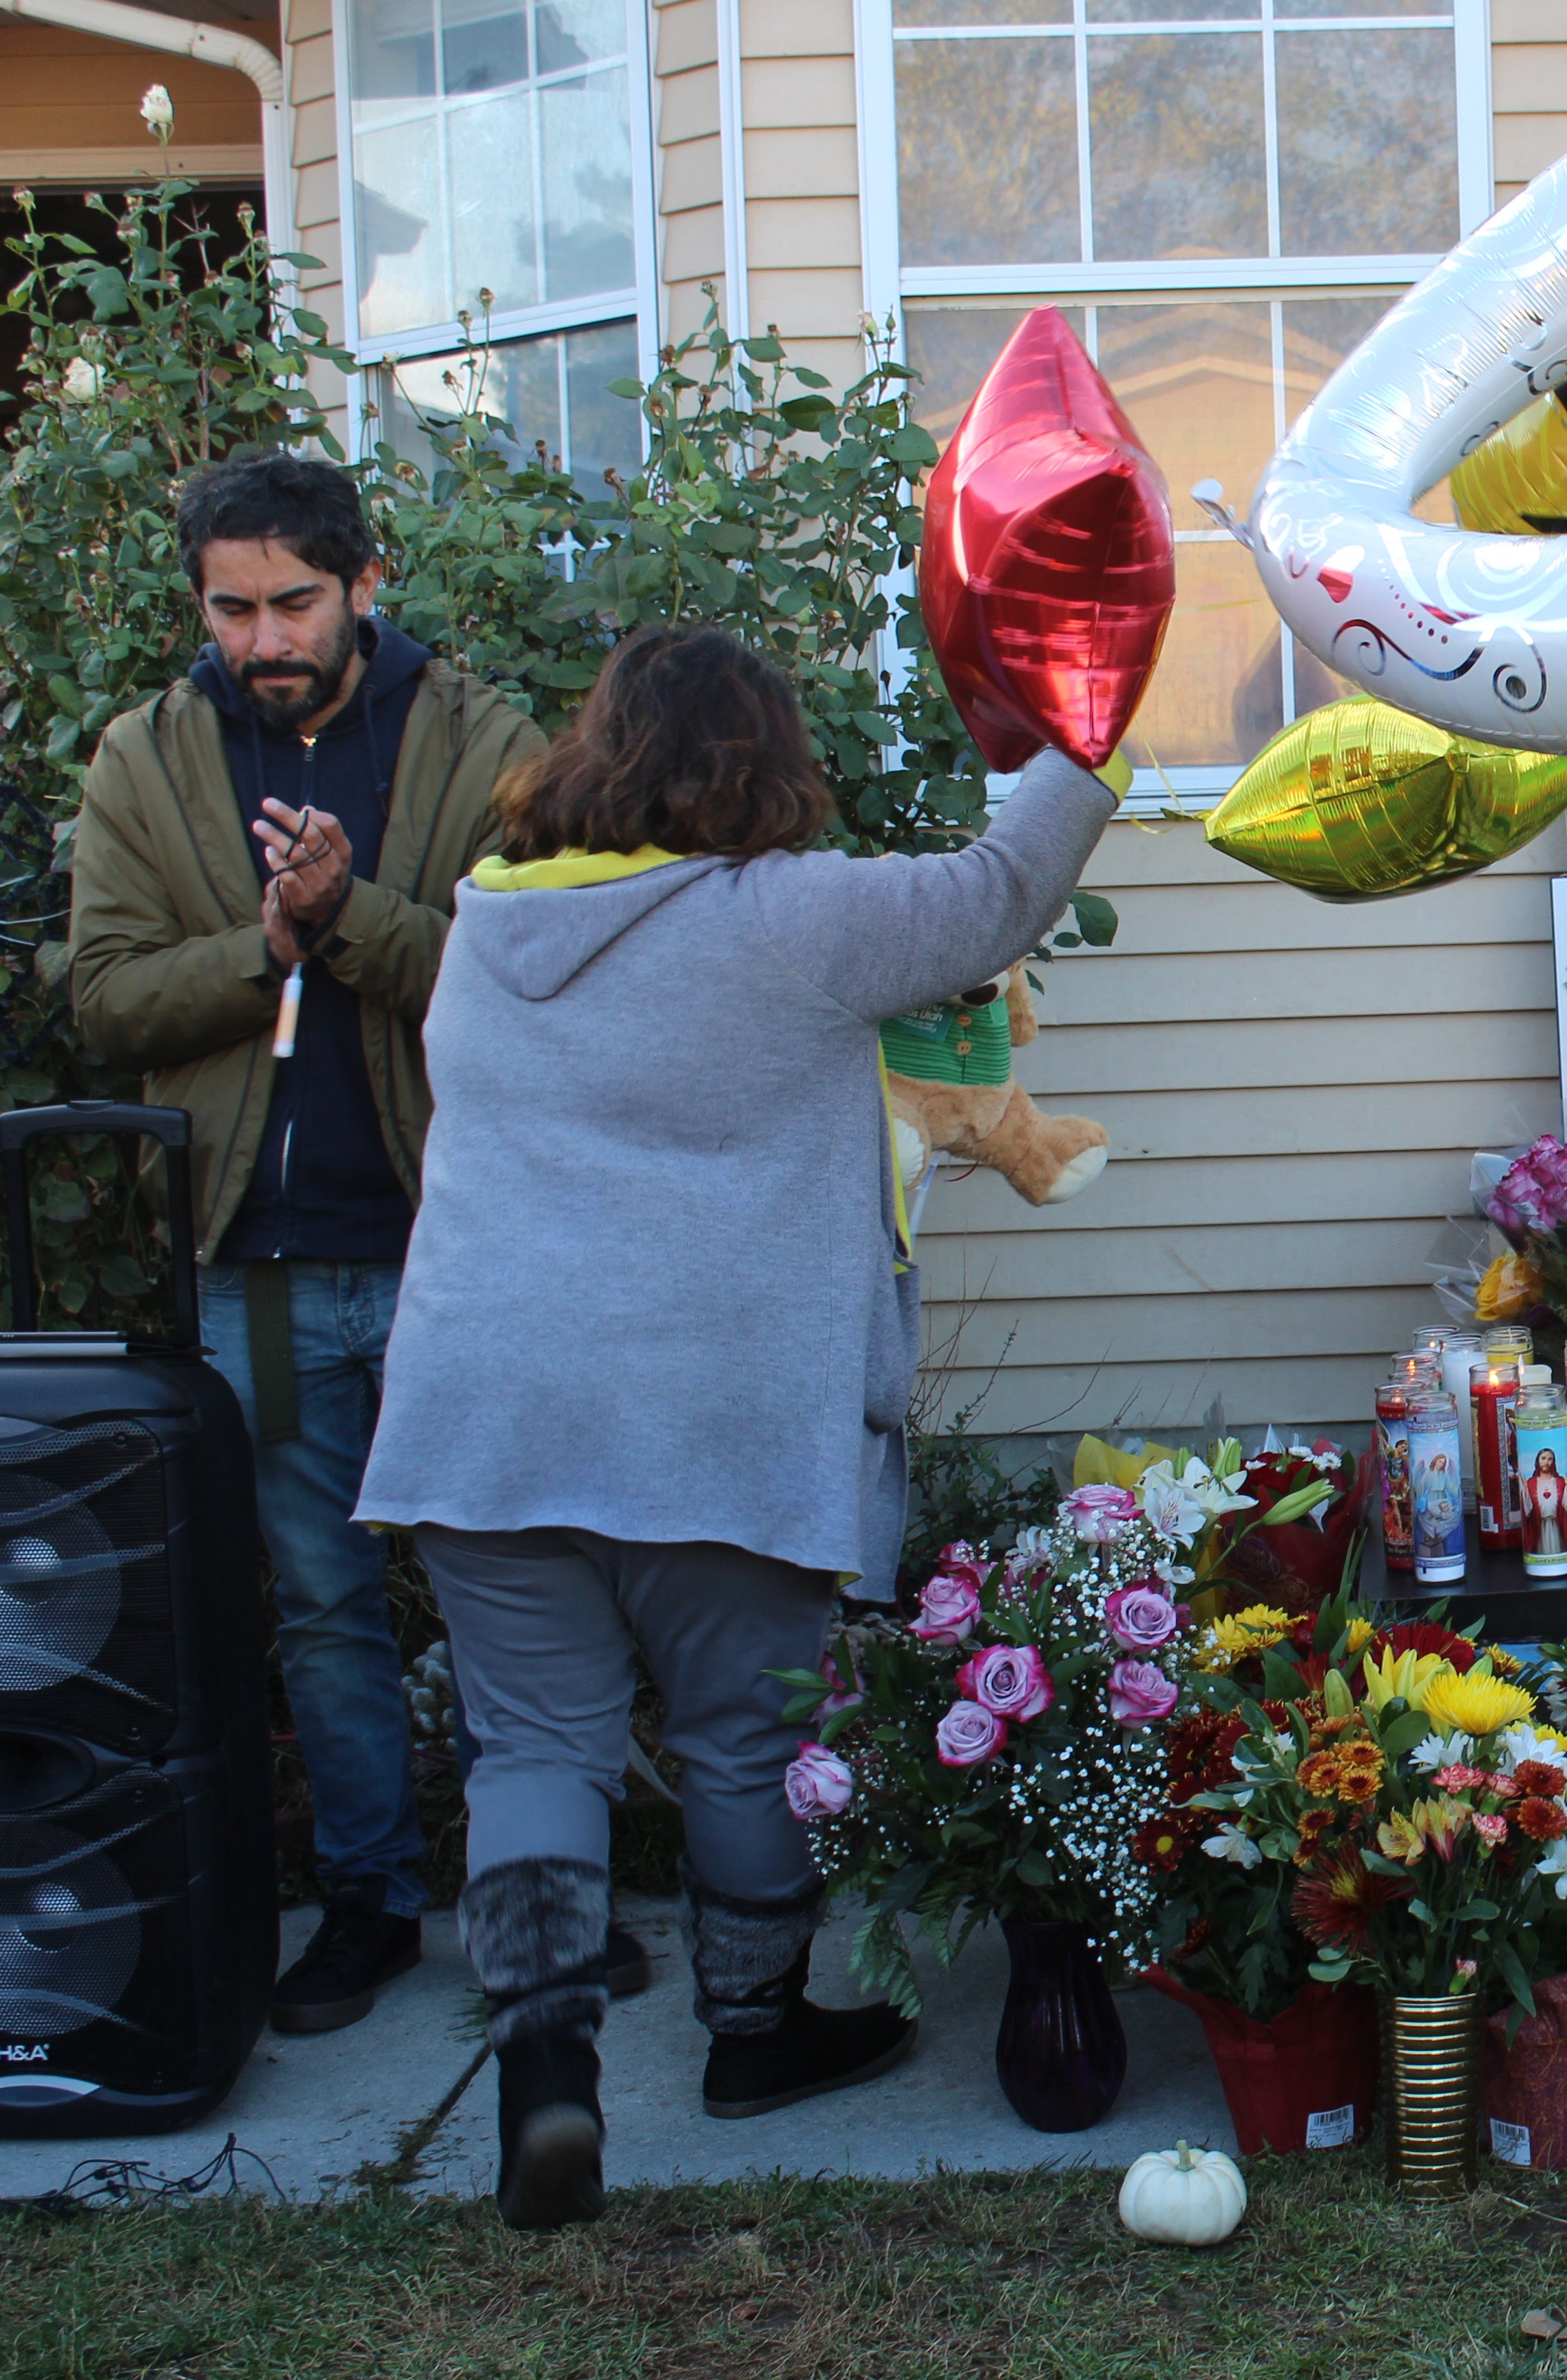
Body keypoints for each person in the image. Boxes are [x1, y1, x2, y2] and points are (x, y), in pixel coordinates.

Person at [352, 626, 1122, 2227]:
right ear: (764, 757)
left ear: (592, 750)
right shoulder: (794, 917)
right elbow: (998, 895)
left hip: (490, 1410)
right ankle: (755, 2037)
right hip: (716, 1415)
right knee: (741, 1743)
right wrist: (1091, 736)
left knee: (532, 1751)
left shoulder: (491, 923)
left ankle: (547, 2075)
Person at [67, 450, 567, 2037]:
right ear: (198, 603)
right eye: (233, 606)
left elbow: (535, 963)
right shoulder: (143, 761)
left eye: (294, 600)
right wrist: (263, 942)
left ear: (367, 583)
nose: (265, 635)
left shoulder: (485, 740)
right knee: (323, 1601)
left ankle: (536, 1903)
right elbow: (101, 1000)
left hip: (457, 1245)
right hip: (256, 1266)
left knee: (515, 1587)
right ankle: (364, 1904)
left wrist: (346, 916)